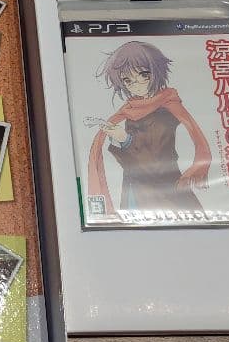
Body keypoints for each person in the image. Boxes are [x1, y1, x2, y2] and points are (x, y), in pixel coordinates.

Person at [87, 40, 211, 216]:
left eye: (143, 75)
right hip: (136, 192)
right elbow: (133, 164)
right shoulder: (132, 109)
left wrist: (124, 139)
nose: (136, 85)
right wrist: (120, 140)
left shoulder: (166, 108)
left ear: (156, 71)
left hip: (163, 195)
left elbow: (154, 162)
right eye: (128, 80)